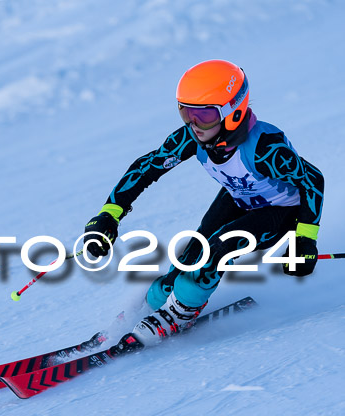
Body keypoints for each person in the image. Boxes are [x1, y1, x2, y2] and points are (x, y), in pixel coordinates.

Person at [83, 59, 324, 347]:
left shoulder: (266, 148)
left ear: (232, 111)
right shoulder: (193, 138)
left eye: (205, 114)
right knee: (190, 255)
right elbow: (147, 167)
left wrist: (304, 240)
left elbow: (313, 181)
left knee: (221, 245)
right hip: (239, 198)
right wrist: (110, 214)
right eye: (186, 112)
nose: (194, 124)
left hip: (282, 211)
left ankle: (180, 312)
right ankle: (152, 305)